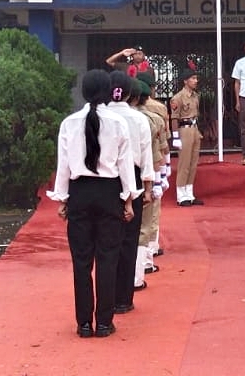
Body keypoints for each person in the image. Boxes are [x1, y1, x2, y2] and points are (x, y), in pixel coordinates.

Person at [48, 69, 137, 339]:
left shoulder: (69, 123)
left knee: (81, 260)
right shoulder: (118, 123)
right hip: (109, 192)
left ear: (84, 92)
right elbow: (125, 164)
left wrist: (62, 198)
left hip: (80, 193)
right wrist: (129, 199)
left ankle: (84, 323)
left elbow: (63, 166)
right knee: (108, 259)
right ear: (110, 91)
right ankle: (105, 323)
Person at [106, 71, 154, 313]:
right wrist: (147, 188)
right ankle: (124, 298)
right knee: (128, 238)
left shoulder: (99, 116)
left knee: (106, 240)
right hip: (133, 177)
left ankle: (106, 296)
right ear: (129, 94)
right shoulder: (138, 119)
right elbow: (146, 156)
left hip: (106, 178)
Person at [134, 79, 168, 278]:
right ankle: (145, 263)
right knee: (147, 220)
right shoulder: (155, 118)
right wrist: (160, 177)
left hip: (123, 175)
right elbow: (162, 151)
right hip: (148, 173)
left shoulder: (118, 118)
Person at [169, 66, 204, 206]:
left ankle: (189, 193)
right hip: (184, 129)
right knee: (184, 163)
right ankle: (181, 195)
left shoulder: (196, 96)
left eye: (196, 78)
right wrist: (175, 136)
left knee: (193, 163)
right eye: (193, 78)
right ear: (185, 81)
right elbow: (174, 119)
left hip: (194, 129)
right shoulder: (177, 98)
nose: (196, 81)